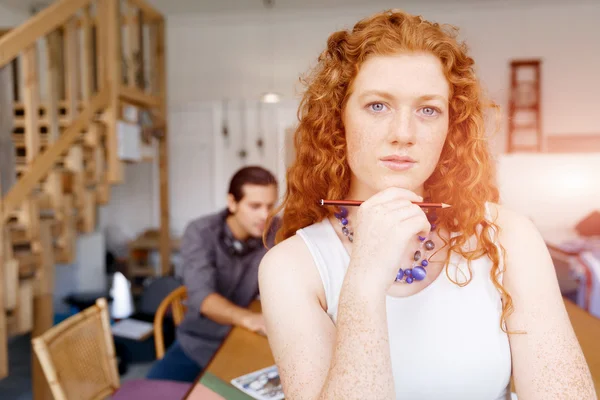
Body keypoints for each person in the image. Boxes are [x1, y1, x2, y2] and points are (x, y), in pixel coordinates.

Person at [258, 10, 596, 400]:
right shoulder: (290, 268)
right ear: (339, 120)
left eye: (428, 110)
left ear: (449, 128)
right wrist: (364, 281)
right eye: (378, 106)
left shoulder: (509, 237)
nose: (403, 134)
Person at [147, 165, 278, 383]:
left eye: (270, 206)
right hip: (198, 341)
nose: (265, 215)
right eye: (255, 206)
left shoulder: (275, 230)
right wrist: (249, 319)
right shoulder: (200, 232)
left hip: (244, 340)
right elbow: (202, 298)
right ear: (232, 203)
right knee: (150, 391)